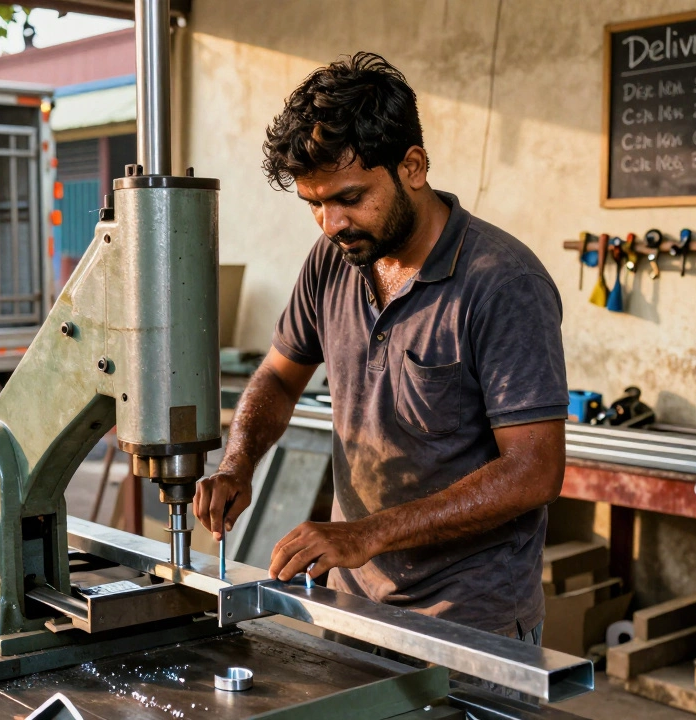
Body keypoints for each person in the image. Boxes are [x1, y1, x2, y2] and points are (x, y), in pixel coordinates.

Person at [192, 52, 568, 644]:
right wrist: (238, 461)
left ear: (412, 166)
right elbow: (280, 377)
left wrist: (365, 534)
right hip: (355, 603)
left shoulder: (503, 283)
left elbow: (534, 471)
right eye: (313, 204)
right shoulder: (333, 260)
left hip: (469, 621)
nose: (329, 223)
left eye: (348, 196)